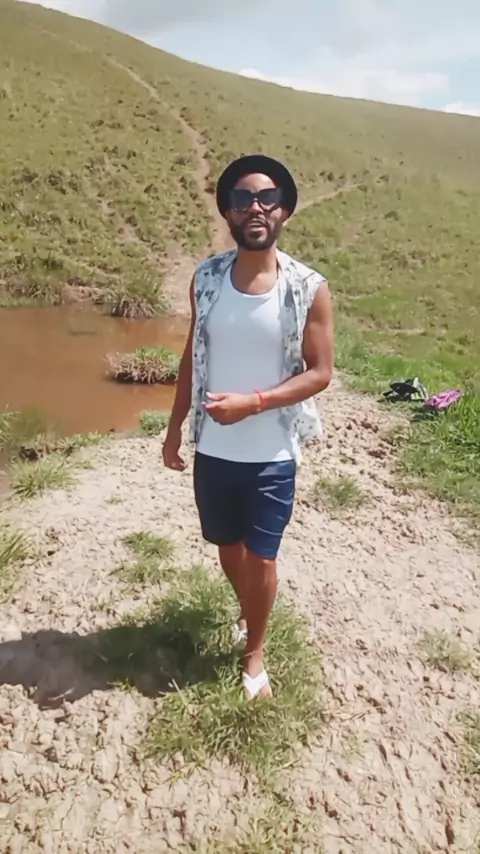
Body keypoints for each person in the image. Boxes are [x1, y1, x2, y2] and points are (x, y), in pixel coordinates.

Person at [162, 154, 334, 700]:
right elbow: (193, 354)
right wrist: (175, 427)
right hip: (214, 448)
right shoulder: (207, 278)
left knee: (262, 555)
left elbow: (321, 373)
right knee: (228, 547)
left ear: (284, 211)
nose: (255, 208)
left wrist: (254, 403)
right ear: (228, 213)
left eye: (267, 198)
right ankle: (248, 610)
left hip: (272, 451)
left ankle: (254, 651)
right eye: (242, 199)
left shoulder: (308, 288)